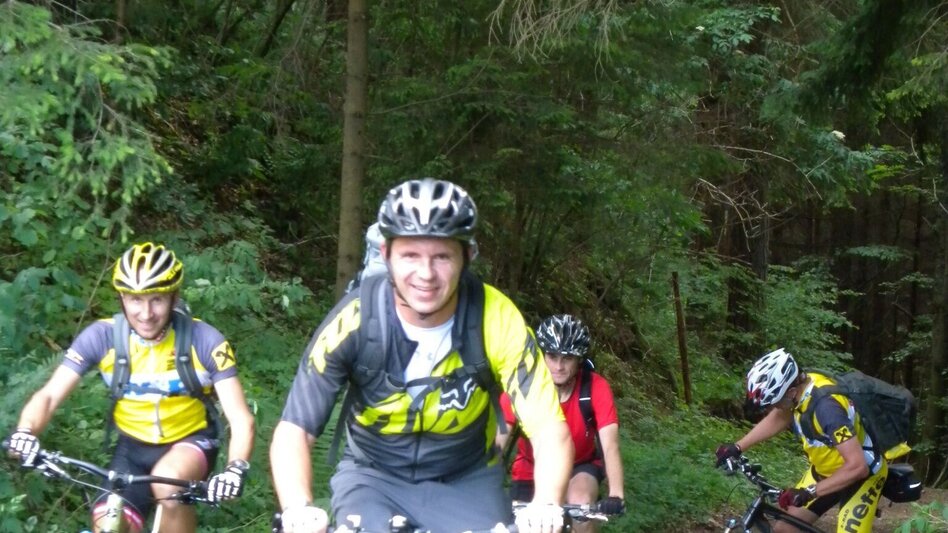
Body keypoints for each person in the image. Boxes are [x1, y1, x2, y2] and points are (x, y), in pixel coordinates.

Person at [270, 178, 574, 533]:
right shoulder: (355, 319)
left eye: (442, 256)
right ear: (386, 255)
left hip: (466, 477)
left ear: (467, 256)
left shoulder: (497, 318)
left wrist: (547, 502)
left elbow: (549, 429)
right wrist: (297, 507)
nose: (426, 274)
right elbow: (294, 430)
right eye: (410, 255)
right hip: (373, 477)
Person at [6, 242, 255, 533]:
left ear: (174, 297)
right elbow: (49, 396)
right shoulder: (101, 337)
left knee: (167, 481)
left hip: (191, 441)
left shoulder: (205, 341)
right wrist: (26, 432)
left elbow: (241, 419)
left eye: (157, 300)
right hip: (132, 448)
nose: (146, 313)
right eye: (135, 300)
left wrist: (235, 469)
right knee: (108, 522)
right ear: (122, 298)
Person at [714, 348, 888, 533]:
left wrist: (809, 492)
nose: (773, 408)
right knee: (784, 530)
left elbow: (857, 467)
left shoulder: (827, 410)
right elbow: (781, 416)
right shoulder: (802, 389)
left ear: (791, 392)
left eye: (775, 402)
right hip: (825, 472)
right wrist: (738, 446)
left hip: (862, 474)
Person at [499, 314, 625, 531]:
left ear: (579, 360)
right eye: (552, 356)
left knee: (581, 505)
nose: (558, 366)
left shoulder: (595, 387)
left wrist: (616, 493)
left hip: (581, 466)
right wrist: (478, 482)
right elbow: (497, 441)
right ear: (541, 356)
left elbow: (610, 444)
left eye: (567, 358)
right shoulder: (522, 387)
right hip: (531, 467)